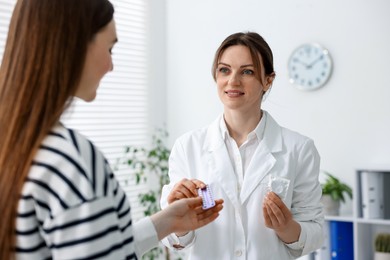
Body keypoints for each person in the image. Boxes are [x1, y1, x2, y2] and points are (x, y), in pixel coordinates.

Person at [0, 1, 223, 259]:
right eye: (109, 48)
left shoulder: (16, 144)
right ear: (73, 45)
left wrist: (166, 222)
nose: (111, 66)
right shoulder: (72, 161)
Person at [160, 32, 324, 259]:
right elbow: (175, 241)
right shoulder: (187, 147)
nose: (233, 81)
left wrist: (286, 227)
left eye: (247, 71)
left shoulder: (300, 149)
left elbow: (315, 231)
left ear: (268, 80)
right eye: (224, 70)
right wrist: (177, 220)